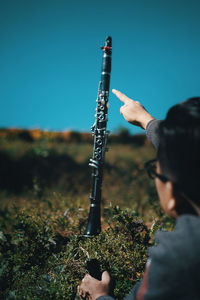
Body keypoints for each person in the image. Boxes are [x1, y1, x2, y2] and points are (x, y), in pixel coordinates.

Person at [78, 89, 200, 300]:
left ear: (171, 192)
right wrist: (147, 120)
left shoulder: (177, 259)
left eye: (156, 170)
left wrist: (100, 296)